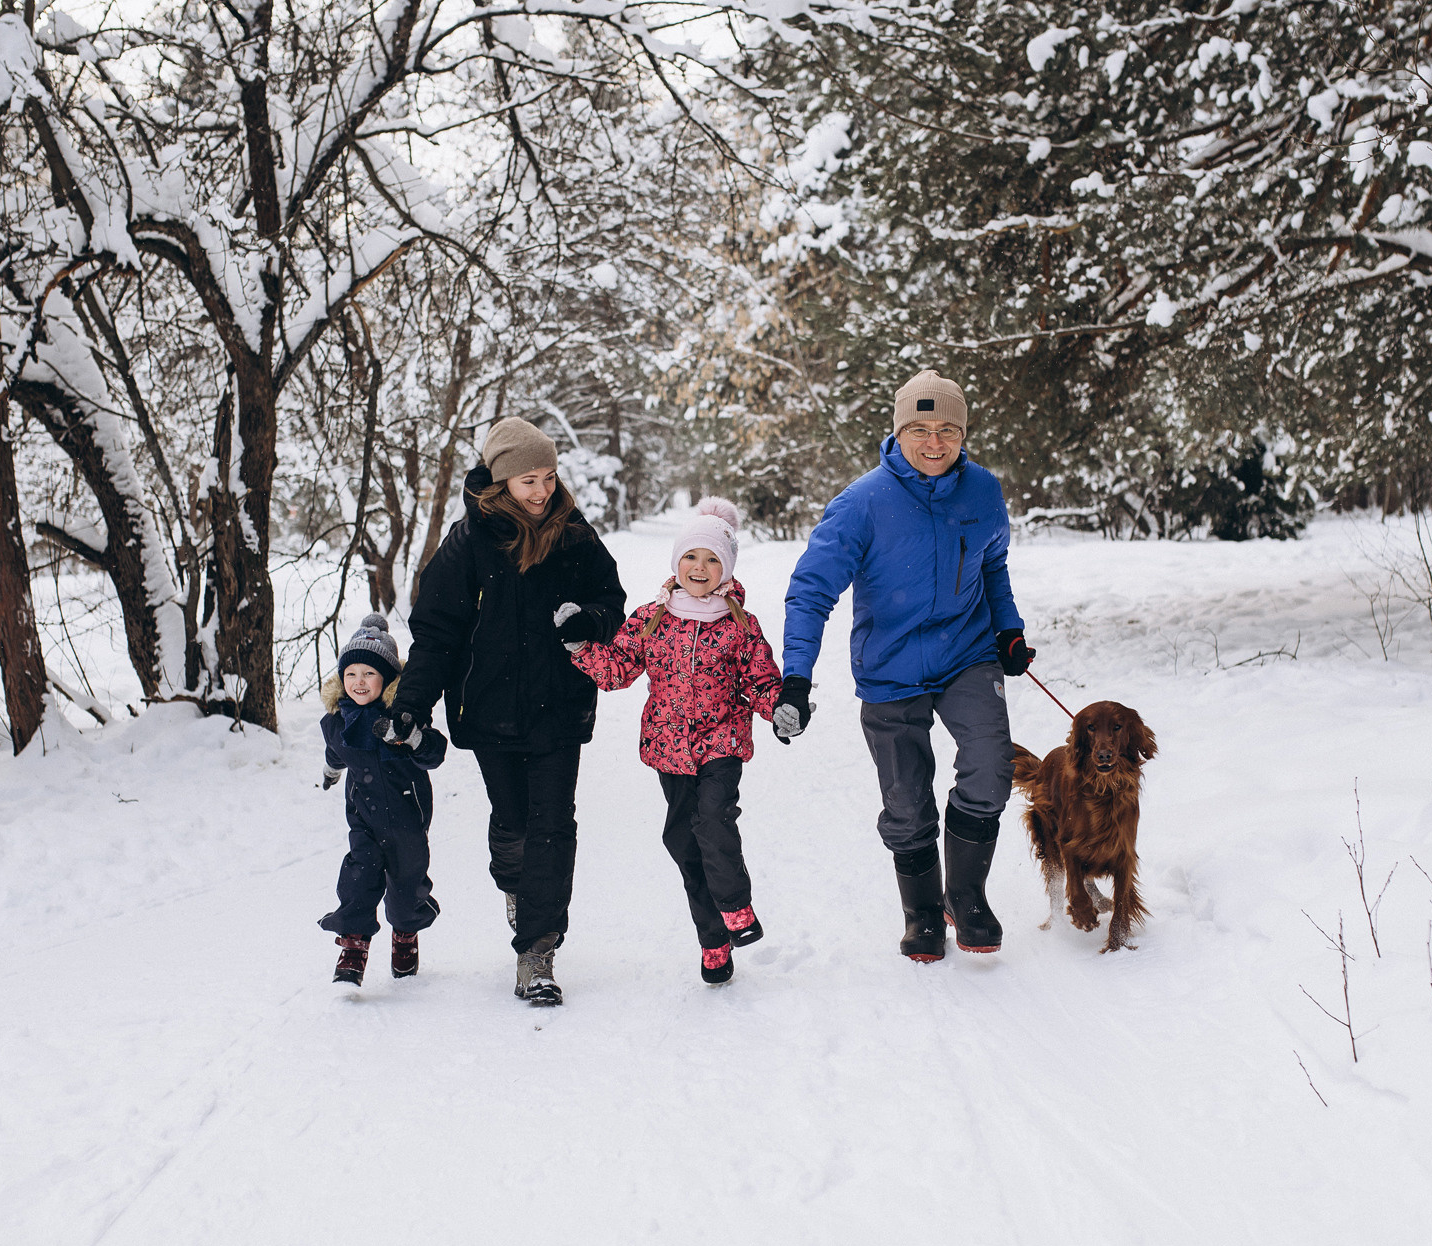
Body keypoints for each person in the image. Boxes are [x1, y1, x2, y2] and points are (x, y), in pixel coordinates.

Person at [773, 370, 1036, 962]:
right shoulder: (862, 503)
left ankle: (965, 896)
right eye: (920, 429)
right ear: (899, 431)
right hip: (890, 667)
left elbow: (993, 567)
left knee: (991, 768)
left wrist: (1009, 629)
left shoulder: (983, 492)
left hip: (969, 654)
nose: (935, 443)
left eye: (947, 429)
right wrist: (797, 676)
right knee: (906, 797)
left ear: (963, 434)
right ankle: (922, 912)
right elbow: (810, 591)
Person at [385, 418, 627, 1006]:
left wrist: (586, 620)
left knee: (553, 825)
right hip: (489, 711)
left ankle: (537, 950)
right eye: (527, 481)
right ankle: (517, 888)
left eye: (547, 477)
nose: (542, 491)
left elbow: (611, 602)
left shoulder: (573, 534)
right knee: (513, 823)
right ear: (499, 482)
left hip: (560, 709)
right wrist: (412, 703)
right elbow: (437, 635)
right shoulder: (467, 544)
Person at [569, 498, 782, 986]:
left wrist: (782, 711)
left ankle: (737, 908)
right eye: (691, 557)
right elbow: (618, 670)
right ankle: (713, 941)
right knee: (683, 841)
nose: (700, 568)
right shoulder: (652, 618)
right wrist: (581, 647)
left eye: (711, 559)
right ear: (676, 561)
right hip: (668, 748)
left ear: (725, 568)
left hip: (722, 741)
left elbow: (762, 682)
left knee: (713, 821)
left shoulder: (740, 625)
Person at [317, 614, 447, 986]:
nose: (359, 682)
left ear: (387, 678)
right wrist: (330, 773)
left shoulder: (403, 715)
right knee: (359, 875)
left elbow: (434, 754)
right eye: (352, 674)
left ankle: (405, 933)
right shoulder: (338, 721)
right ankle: (354, 944)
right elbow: (335, 751)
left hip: (408, 815)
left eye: (369, 674)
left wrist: (409, 737)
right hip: (364, 817)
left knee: (407, 885)